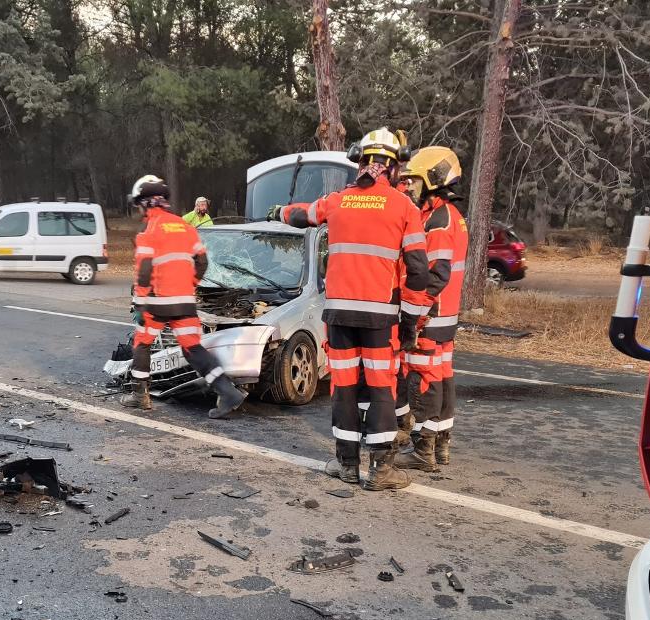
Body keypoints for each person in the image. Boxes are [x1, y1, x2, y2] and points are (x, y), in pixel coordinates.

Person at [267, 128, 430, 491]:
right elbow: (418, 271)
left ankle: (346, 465)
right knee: (380, 387)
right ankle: (381, 471)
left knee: (344, 386)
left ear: (361, 162)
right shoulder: (405, 208)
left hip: (338, 317)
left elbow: (302, 214)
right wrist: (411, 322)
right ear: (394, 167)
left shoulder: (338, 200)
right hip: (379, 318)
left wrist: (278, 211)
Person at [122, 175, 247, 418]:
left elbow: (145, 271)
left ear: (147, 203)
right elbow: (202, 262)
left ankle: (140, 395)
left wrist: (140, 303)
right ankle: (227, 391)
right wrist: (187, 285)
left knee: (142, 342)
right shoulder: (186, 227)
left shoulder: (150, 230)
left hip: (158, 302)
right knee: (192, 347)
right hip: (185, 301)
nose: (137, 209)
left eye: (138, 204)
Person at [394, 146, 468, 471]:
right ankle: (441, 446)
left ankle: (423, 449)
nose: (410, 186)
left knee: (423, 377)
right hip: (446, 316)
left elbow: (435, 275)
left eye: (415, 181)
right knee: (443, 375)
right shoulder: (450, 216)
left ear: (432, 181)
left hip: (431, 314)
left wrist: (416, 314)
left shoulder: (438, 220)